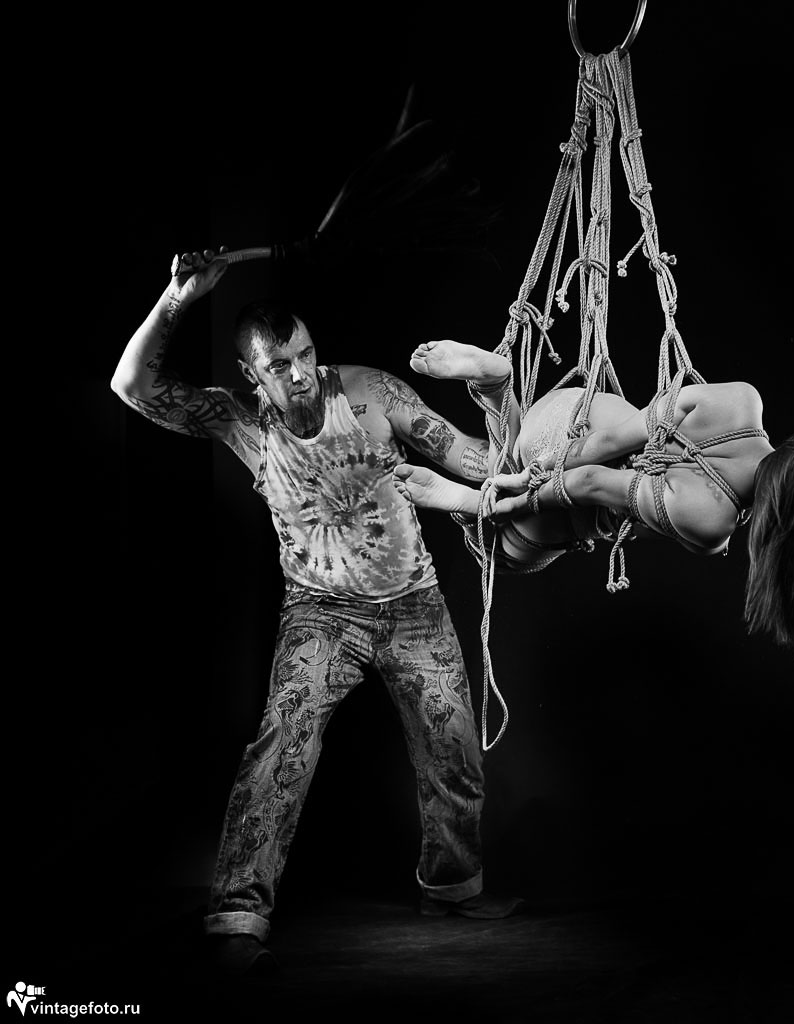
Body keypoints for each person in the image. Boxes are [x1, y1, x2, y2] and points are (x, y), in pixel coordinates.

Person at [111, 253, 521, 977]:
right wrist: (177, 298)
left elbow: (477, 462)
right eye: (281, 365)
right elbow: (131, 386)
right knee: (280, 749)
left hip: (413, 602)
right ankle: (237, 915)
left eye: (305, 354)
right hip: (320, 611)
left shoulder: (370, 394)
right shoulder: (239, 420)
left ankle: (452, 888)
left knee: (454, 745)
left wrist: (503, 404)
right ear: (253, 374)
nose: (301, 374)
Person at [393, 340, 794, 674]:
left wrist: (542, 462)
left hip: (574, 412)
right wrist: (511, 498)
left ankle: (498, 391)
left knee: (505, 461)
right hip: (561, 496)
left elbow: (610, 442)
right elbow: (590, 483)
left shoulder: (743, 401)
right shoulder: (713, 521)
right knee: (502, 555)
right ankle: (475, 478)